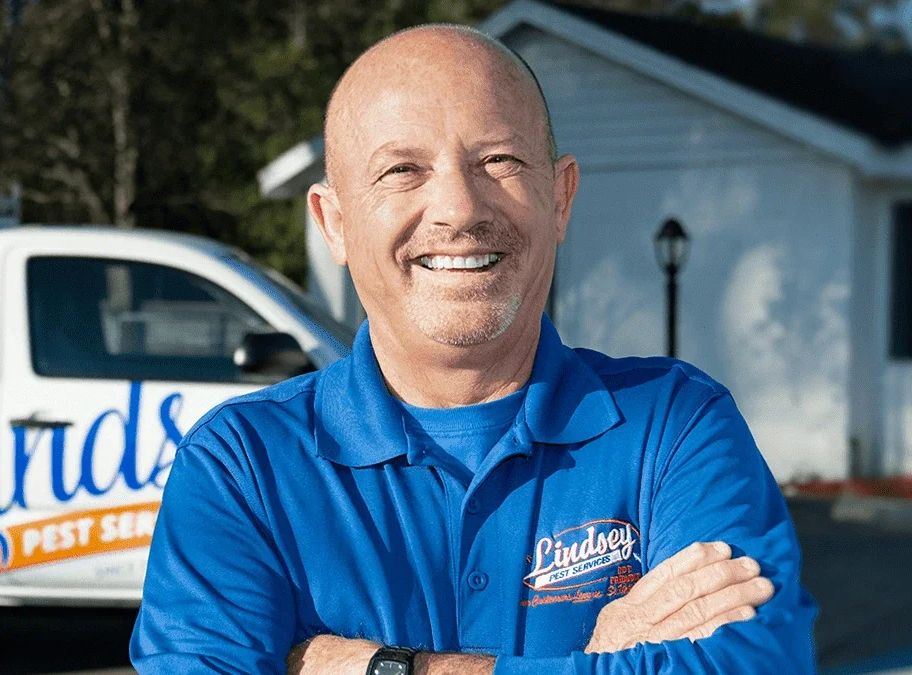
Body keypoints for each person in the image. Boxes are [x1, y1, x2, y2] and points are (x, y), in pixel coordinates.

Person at [130, 23, 817, 675]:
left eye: (499, 159)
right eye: (403, 169)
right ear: (333, 223)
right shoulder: (241, 466)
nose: (459, 209)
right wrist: (598, 659)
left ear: (561, 198)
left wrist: (382, 667)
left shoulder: (675, 426)